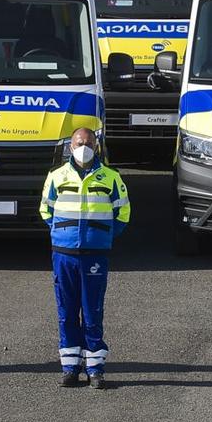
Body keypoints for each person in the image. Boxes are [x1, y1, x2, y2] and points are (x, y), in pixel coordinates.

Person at [39, 127, 131, 388]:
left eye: (88, 142)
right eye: (79, 142)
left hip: (95, 255)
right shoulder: (57, 176)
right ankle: (70, 368)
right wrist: (62, 234)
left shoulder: (111, 178)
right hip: (64, 254)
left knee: (92, 312)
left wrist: (103, 237)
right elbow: (46, 209)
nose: (83, 147)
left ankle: (95, 369)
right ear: (70, 145)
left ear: (97, 145)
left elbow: (122, 213)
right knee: (66, 311)